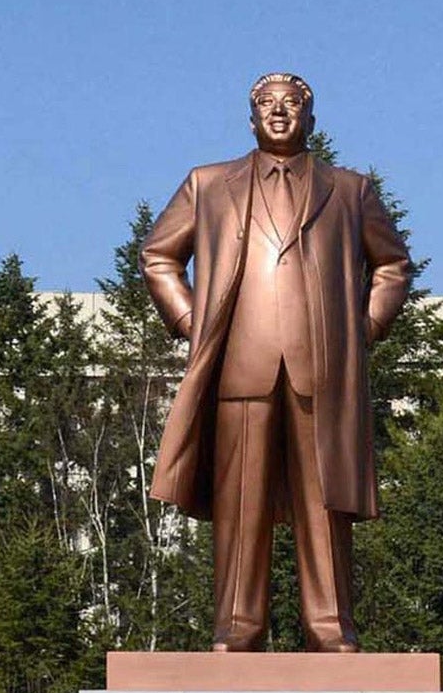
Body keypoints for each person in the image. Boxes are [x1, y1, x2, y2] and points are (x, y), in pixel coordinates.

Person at [140, 73, 412, 651]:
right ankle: (237, 624)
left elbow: (392, 265)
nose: (280, 113)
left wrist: (363, 329)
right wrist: (194, 325)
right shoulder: (209, 184)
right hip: (242, 361)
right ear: (251, 117)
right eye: (267, 104)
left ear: (311, 118)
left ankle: (330, 624)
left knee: (325, 497)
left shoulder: (350, 190)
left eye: (292, 104)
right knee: (241, 499)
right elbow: (159, 257)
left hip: (324, 366)